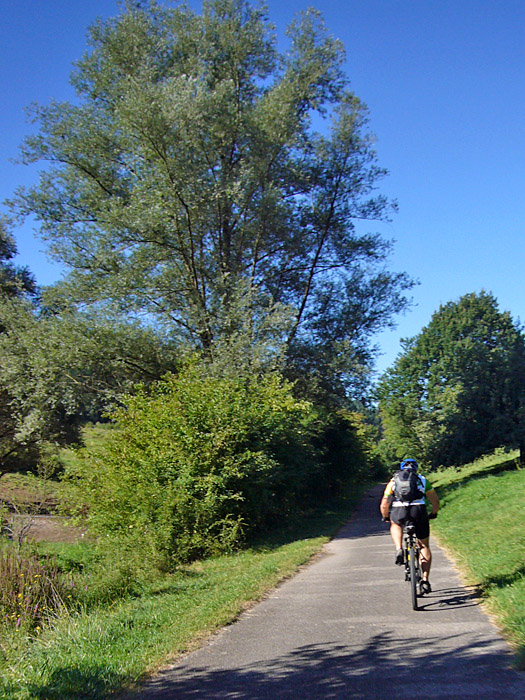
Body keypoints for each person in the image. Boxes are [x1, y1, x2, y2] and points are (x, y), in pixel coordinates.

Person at [379, 458, 440, 593]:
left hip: (399, 510)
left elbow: (384, 503)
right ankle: (425, 580)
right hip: (419, 510)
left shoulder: (394, 481)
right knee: (423, 545)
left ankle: (399, 548)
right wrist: (433, 513)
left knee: (395, 524)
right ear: (416, 468)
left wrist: (385, 516)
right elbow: (435, 501)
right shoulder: (422, 480)